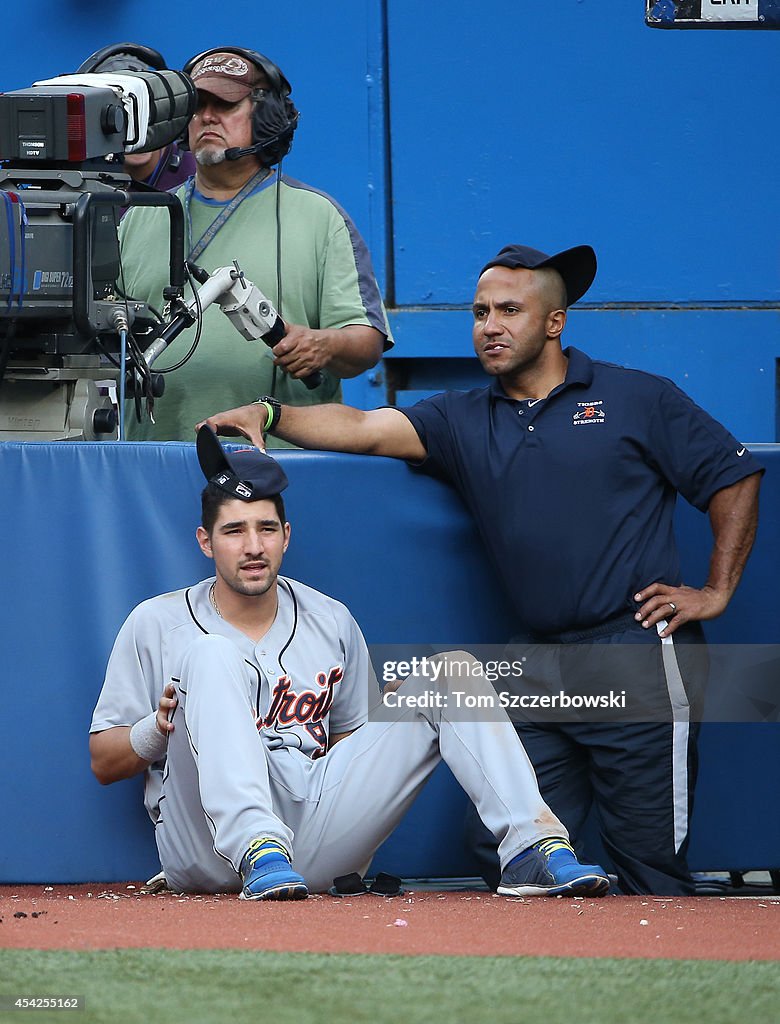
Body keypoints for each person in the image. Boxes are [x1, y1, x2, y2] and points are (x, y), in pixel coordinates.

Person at [199, 242, 764, 896]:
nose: (489, 325)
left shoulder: (636, 398)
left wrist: (716, 591)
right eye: (478, 311)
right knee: (506, 854)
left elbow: (734, 473)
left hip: (633, 651)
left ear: (554, 323)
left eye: (509, 310)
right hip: (537, 660)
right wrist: (271, 414)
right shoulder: (462, 417)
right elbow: (361, 425)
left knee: (648, 864)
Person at [89, 426, 609, 900]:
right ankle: (255, 844)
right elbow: (103, 761)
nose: (253, 547)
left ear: (286, 537)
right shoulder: (156, 622)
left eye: (267, 529)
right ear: (205, 542)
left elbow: (354, 745)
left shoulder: (330, 620)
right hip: (204, 846)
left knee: (453, 671)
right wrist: (157, 731)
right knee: (209, 653)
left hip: (312, 842)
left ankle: (529, 847)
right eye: (234, 532)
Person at [118, 46, 391, 442]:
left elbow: (366, 341)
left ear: (267, 119)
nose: (207, 117)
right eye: (197, 105)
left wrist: (323, 345)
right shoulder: (141, 215)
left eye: (224, 105)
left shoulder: (319, 217)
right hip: (152, 465)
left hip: (274, 471)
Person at [77, 43, 196, 196]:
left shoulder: (199, 174)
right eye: (120, 114)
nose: (135, 125)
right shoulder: (76, 180)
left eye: (144, 108)